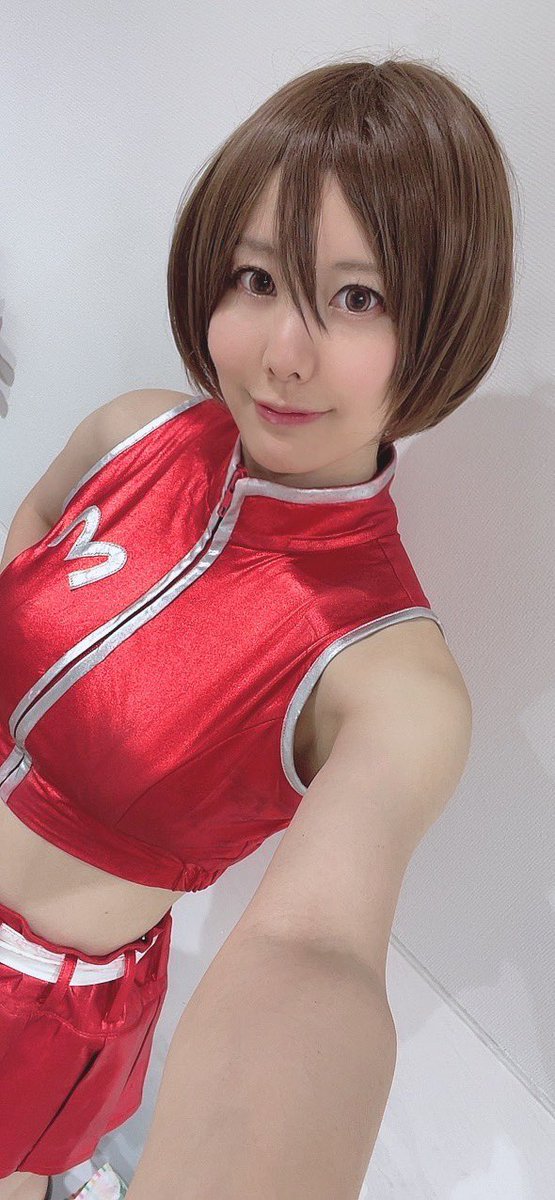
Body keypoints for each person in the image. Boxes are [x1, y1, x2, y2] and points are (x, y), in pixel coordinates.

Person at [0, 55, 516, 1200]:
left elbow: (313, 956)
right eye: (256, 278)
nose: (285, 352)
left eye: (357, 297)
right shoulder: (133, 433)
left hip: (31, 1016)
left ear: (444, 321)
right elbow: (31, 536)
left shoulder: (389, 674)